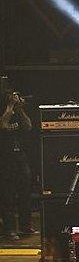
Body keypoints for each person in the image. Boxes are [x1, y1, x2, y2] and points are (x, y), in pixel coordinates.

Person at [0, 90, 35, 240]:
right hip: (5, 157)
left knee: (25, 192)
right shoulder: (5, 110)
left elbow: (28, 126)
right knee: (8, 195)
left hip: (20, 156)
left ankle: (25, 226)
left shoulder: (18, 112)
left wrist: (20, 108)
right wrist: (10, 106)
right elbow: (3, 125)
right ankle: (9, 229)